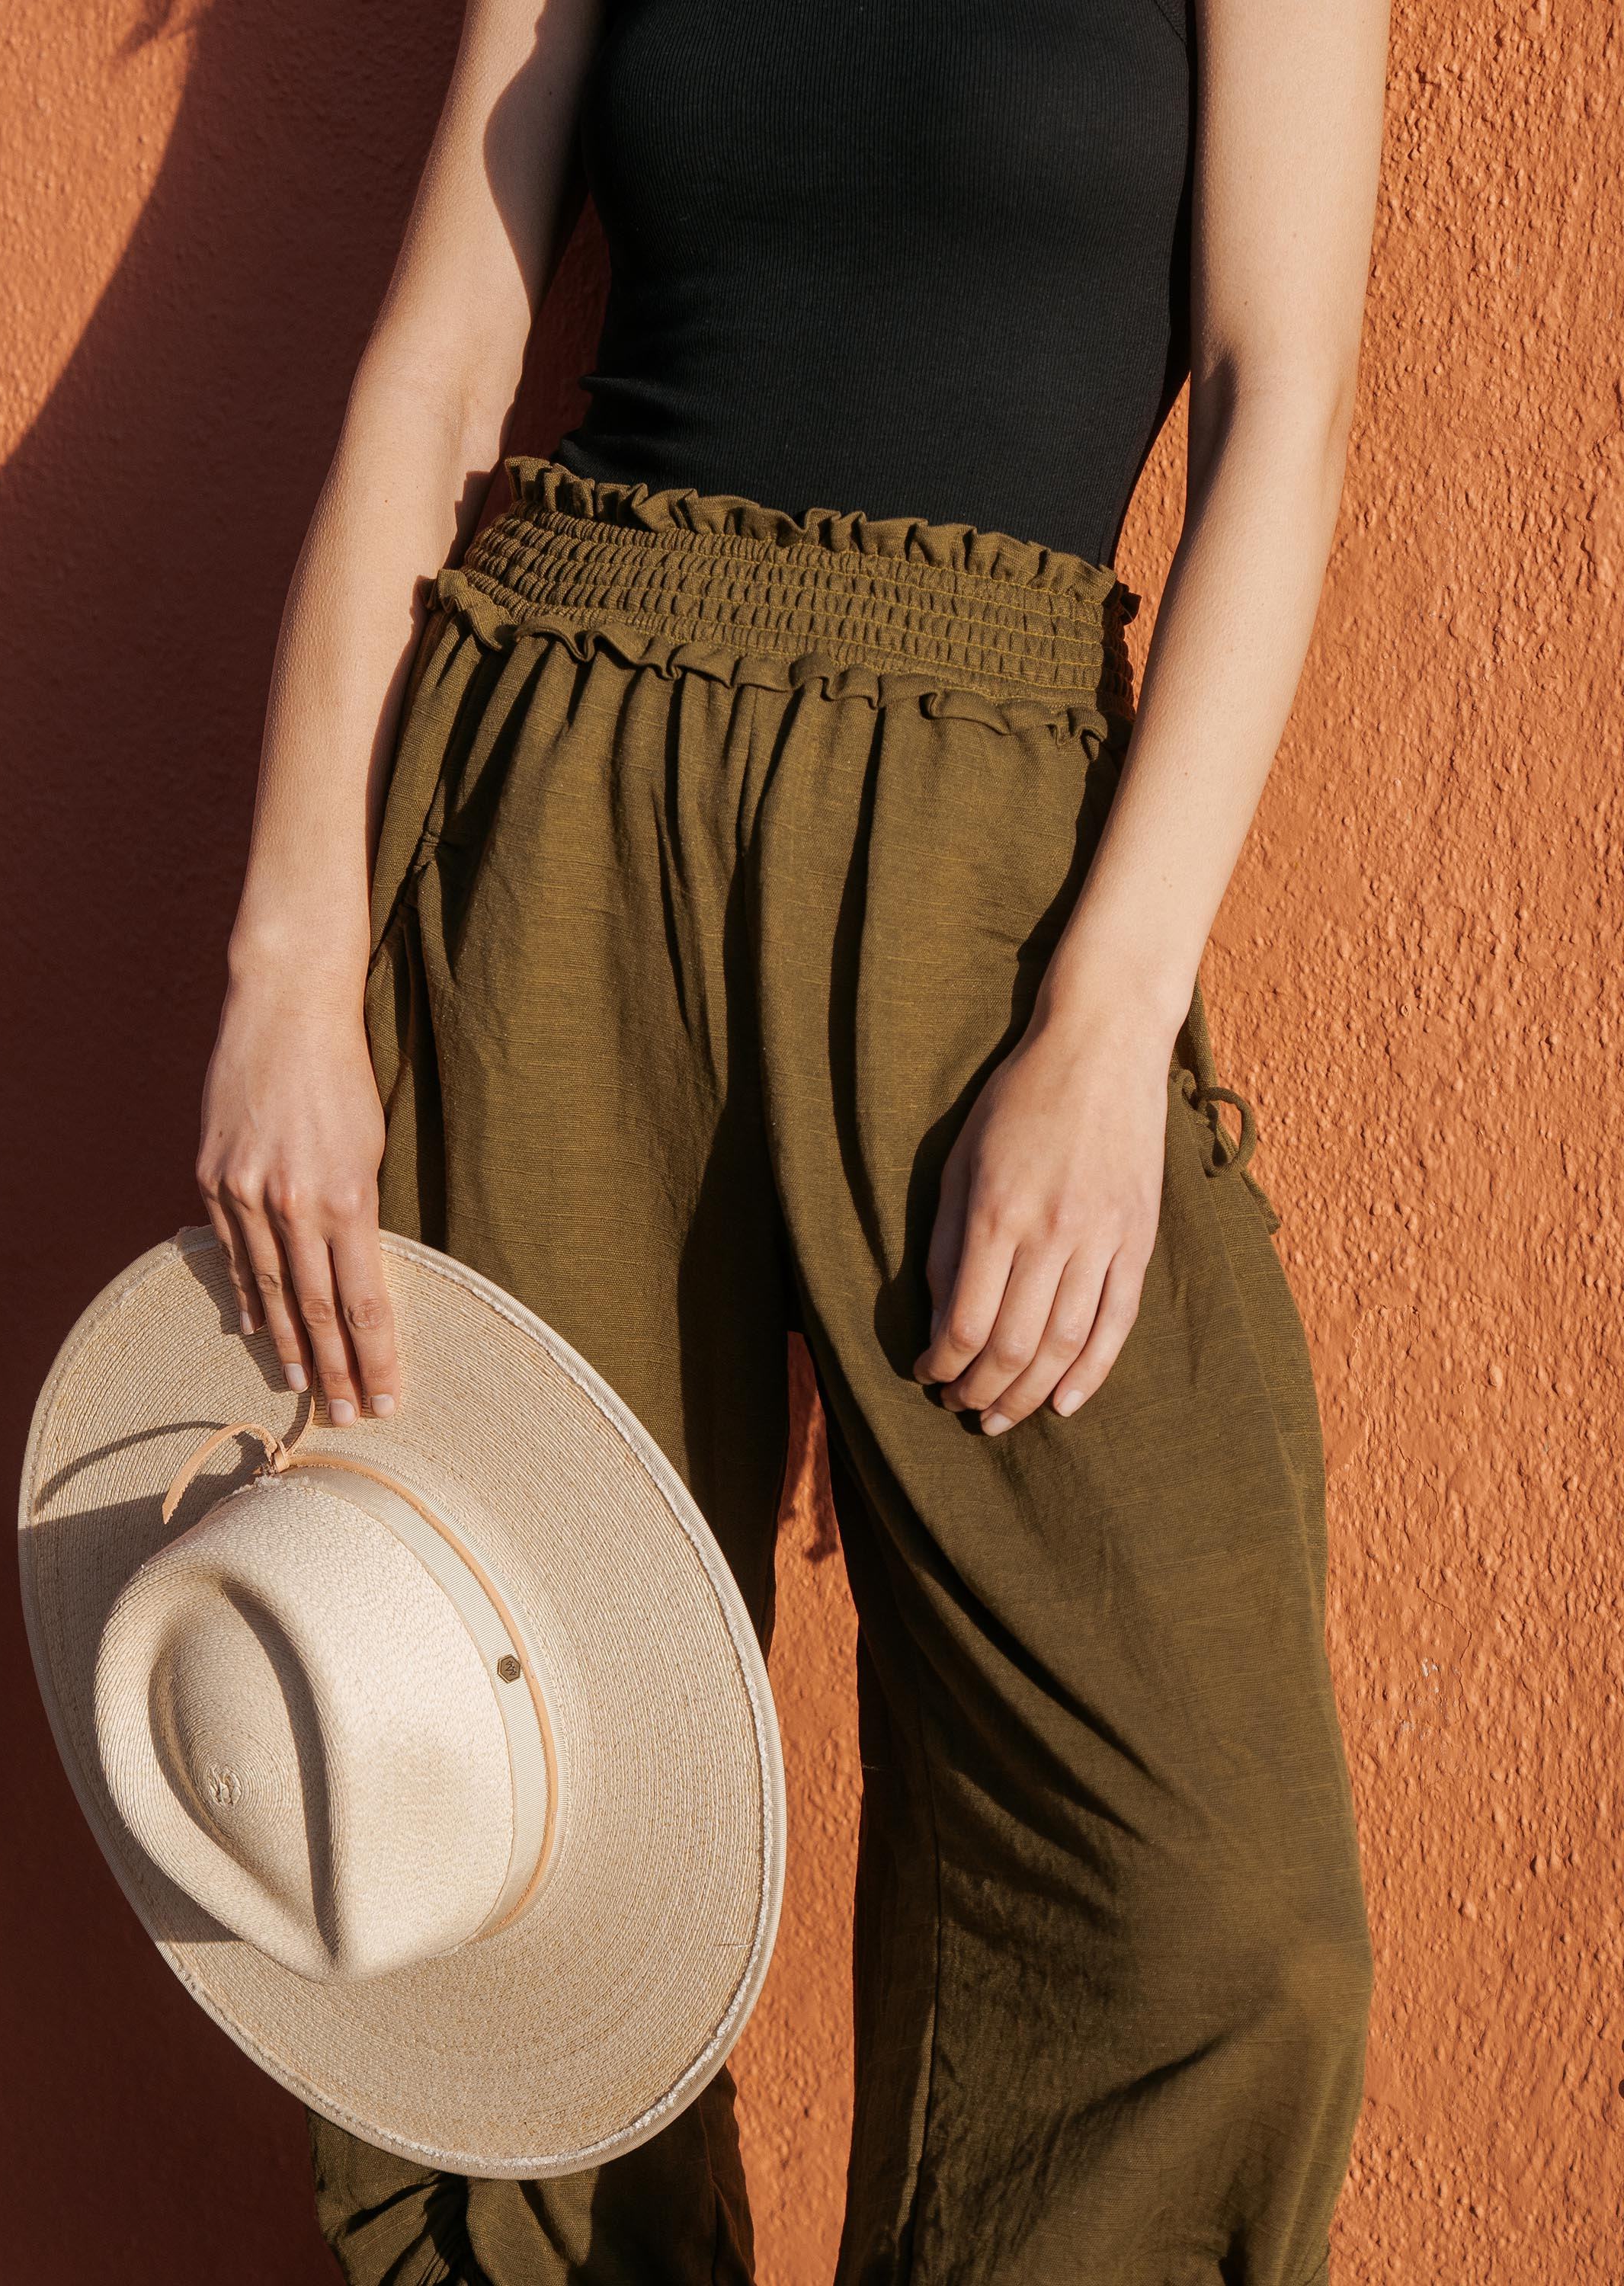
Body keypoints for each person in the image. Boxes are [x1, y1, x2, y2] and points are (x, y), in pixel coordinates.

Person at [195, 2, 1390, 2278]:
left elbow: (1282, 407)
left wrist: (1110, 1017)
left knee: (1221, 1916)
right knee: (522, 1818)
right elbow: (442, 367)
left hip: (986, 841)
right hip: (556, 802)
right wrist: (287, 969)